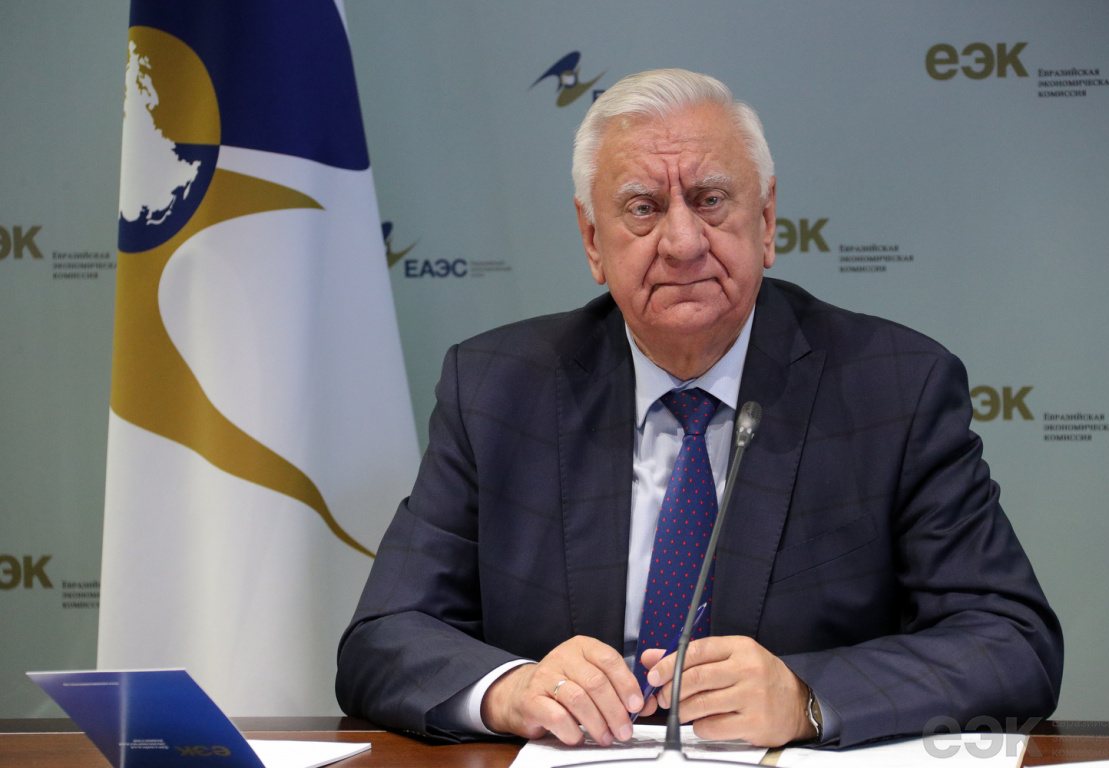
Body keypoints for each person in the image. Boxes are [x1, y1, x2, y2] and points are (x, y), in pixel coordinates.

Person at [335, 69, 1062, 749]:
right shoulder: (497, 389)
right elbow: (384, 636)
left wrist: (807, 697)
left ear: (767, 220)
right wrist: (509, 690)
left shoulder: (894, 388)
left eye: (711, 200)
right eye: (642, 209)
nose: (683, 243)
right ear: (592, 241)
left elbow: (1011, 640)